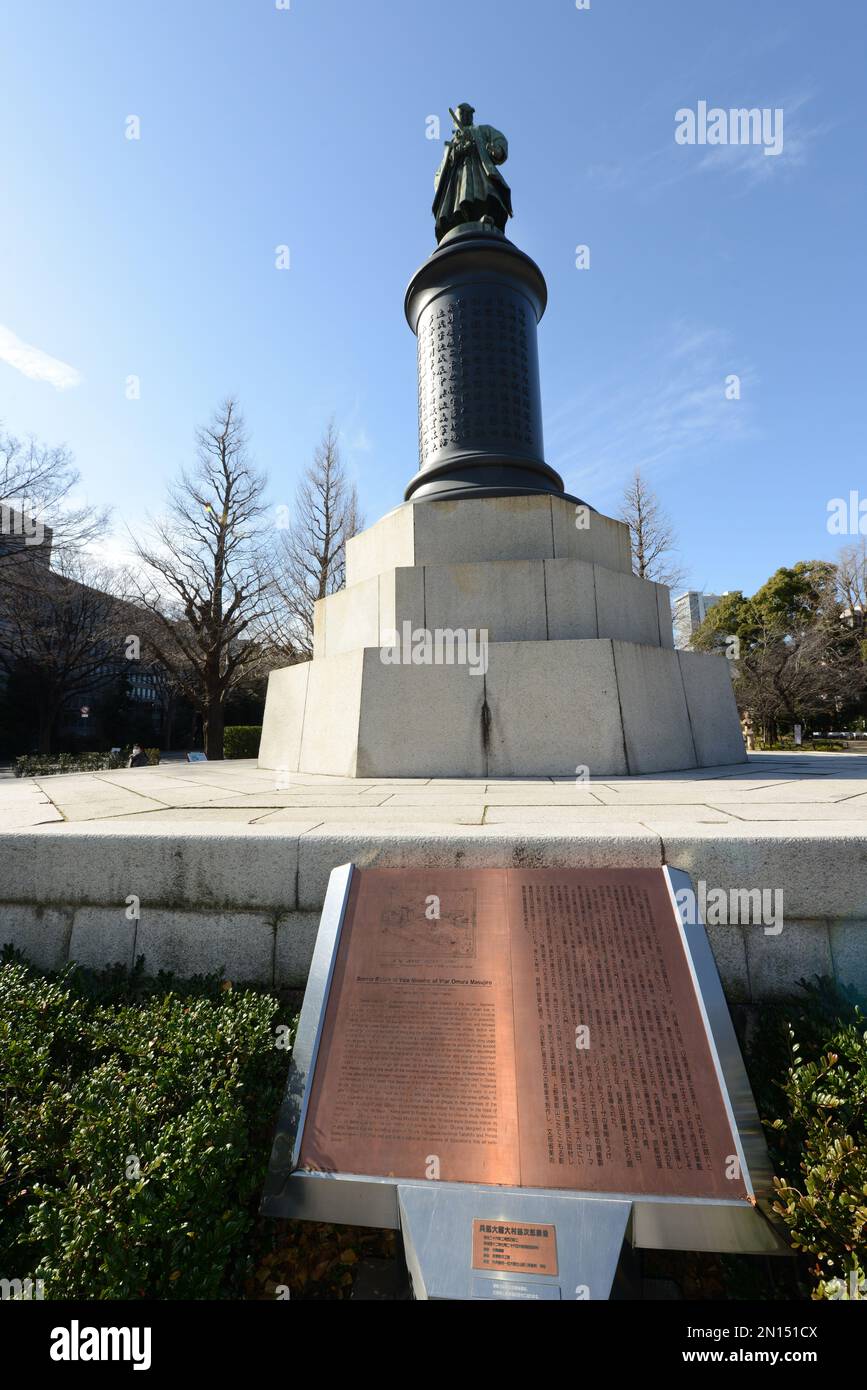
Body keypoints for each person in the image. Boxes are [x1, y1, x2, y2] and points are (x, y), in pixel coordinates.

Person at [432, 103, 512, 243]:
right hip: (457, 175)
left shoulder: (481, 130)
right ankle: (459, 222)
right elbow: (440, 172)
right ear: (455, 118)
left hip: (478, 167)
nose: (465, 116)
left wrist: (496, 149)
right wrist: (454, 153)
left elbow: (499, 139)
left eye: (468, 113)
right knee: (457, 198)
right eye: (462, 113)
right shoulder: (451, 143)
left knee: (483, 191)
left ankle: (484, 215)